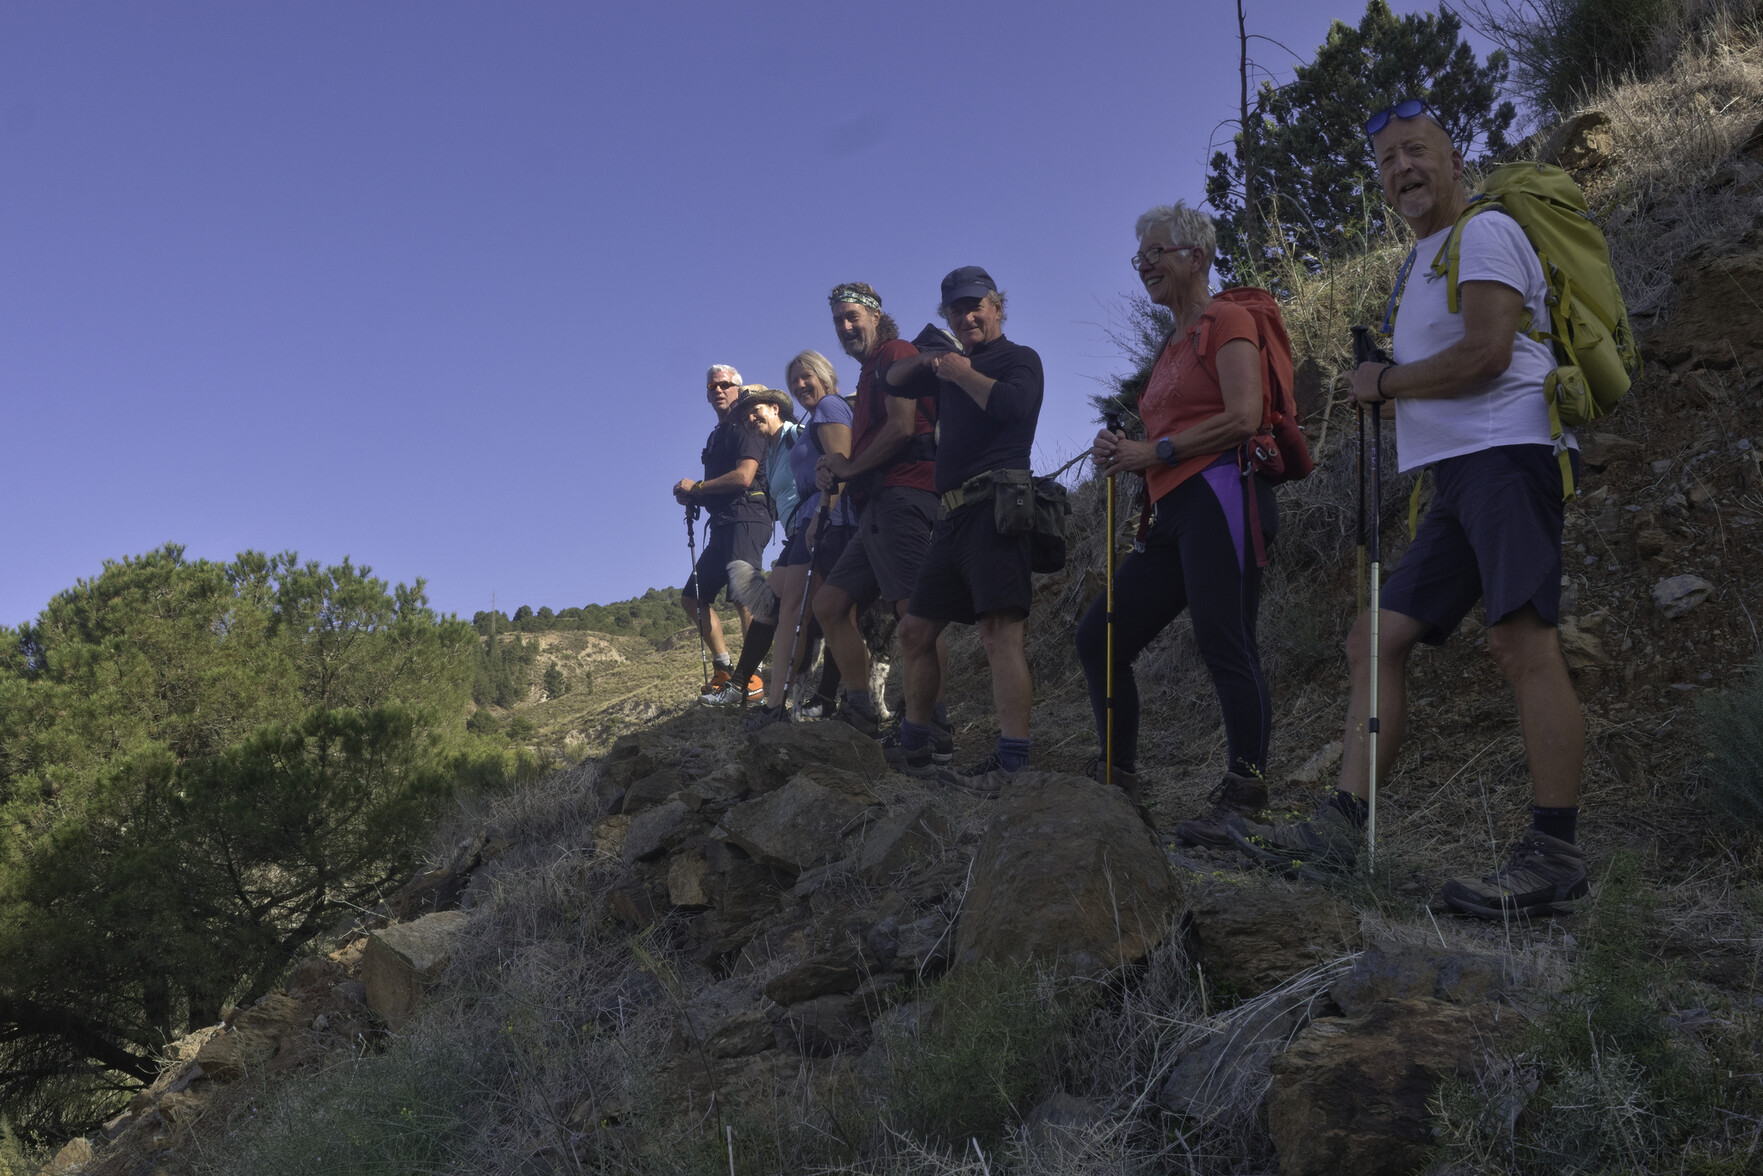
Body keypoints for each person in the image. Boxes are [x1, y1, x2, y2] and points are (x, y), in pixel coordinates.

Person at [1231, 99, 1590, 919]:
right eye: (1388, 159)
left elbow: (1491, 351)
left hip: (1508, 456)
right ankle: (1340, 827)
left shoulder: (1487, 232)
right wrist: (1391, 390)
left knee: (1521, 641)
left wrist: (1385, 381)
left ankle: (1554, 855)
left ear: (1452, 157)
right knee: (1374, 637)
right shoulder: (1422, 260)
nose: (1402, 168)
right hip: (1457, 476)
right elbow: (1449, 369)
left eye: (1416, 150)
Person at [1081, 202, 1279, 824]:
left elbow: (1245, 417)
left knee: (1226, 642)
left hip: (1224, 492)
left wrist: (1155, 449)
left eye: (1156, 253)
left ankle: (1244, 799)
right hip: (1173, 511)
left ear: (1197, 257)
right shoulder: (1171, 346)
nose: (1145, 266)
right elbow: (1165, 435)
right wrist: (1125, 452)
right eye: (1139, 258)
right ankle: (1119, 780)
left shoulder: (1229, 319)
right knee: (1100, 637)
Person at [885, 267, 1044, 796]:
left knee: (1000, 634)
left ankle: (1014, 763)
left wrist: (958, 372)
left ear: (998, 306)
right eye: (956, 309)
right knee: (914, 631)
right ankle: (915, 745)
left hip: (998, 504)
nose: (967, 315)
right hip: (950, 515)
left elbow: (1013, 406)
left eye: (976, 305)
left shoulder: (1019, 359)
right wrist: (931, 361)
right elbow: (893, 379)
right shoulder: (950, 363)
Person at [812, 283, 949, 749]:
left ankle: (933, 725)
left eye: (852, 317)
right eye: (838, 321)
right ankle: (861, 710)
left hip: (905, 494)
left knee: (918, 612)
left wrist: (848, 467)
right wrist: (838, 468)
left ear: (874, 315)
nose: (846, 328)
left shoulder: (896, 351)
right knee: (829, 605)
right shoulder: (869, 371)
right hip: (876, 505)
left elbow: (902, 427)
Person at [673, 364, 771, 702]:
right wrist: (697, 494)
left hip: (748, 516)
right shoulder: (716, 435)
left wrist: (698, 486)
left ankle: (753, 676)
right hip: (723, 522)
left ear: (737, 388)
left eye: (725, 384)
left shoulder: (746, 425)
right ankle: (725, 669)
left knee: (744, 596)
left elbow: (744, 477)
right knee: (692, 598)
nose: (718, 390)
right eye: (712, 386)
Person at [701, 386, 802, 706]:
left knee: (780, 608)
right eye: (746, 413)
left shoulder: (797, 435)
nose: (751, 415)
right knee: (772, 607)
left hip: (814, 528)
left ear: (775, 408)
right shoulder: (771, 454)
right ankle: (750, 689)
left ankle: (765, 690)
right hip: (795, 533)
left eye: (758, 408)